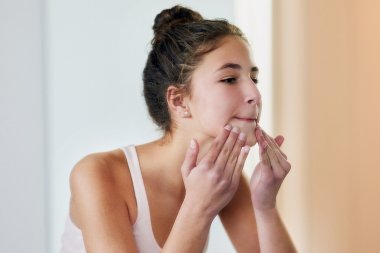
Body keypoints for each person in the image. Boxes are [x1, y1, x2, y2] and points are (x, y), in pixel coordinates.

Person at [60, 5, 296, 253]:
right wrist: (198, 207)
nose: (255, 95)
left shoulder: (224, 177)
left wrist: (265, 206)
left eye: (253, 78)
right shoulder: (98, 175)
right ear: (178, 101)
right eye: (229, 79)